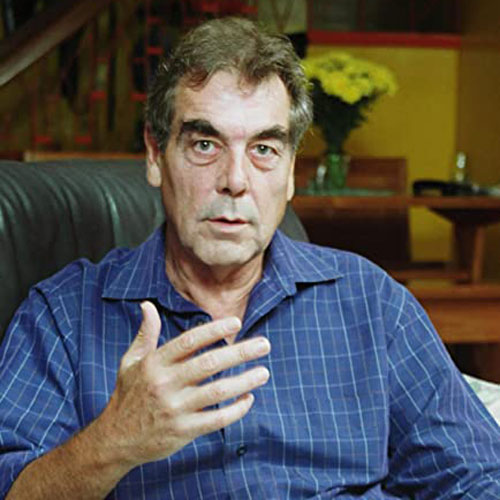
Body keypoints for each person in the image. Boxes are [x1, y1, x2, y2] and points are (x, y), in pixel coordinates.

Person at [1, 16, 500, 499]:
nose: (235, 180)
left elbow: (475, 475)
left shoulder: (370, 301)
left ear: (290, 172)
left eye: (264, 149)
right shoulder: (64, 315)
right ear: (155, 155)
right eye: (204, 144)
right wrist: (114, 440)